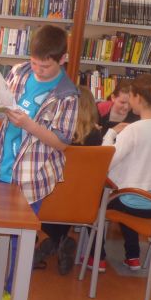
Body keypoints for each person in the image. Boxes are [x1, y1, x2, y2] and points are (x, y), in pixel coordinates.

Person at [0, 25, 79, 300]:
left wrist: (29, 125)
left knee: (17, 237)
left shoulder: (67, 96)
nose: (38, 69)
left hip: (31, 176)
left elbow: (61, 143)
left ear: (62, 59)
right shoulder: (20, 71)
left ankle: (10, 291)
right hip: (2, 164)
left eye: (45, 66)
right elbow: (2, 100)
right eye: (34, 62)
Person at [88, 74, 151, 272]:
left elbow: (105, 161)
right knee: (128, 192)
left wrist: (111, 133)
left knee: (94, 201)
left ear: (138, 97)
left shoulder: (134, 130)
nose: (129, 102)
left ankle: (97, 257)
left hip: (133, 201)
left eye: (130, 97)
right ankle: (133, 256)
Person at [36, 86, 102, 275]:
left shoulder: (55, 134)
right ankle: (61, 242)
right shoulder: (96, 136)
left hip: (49, 199)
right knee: (71, 194)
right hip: (80, 204)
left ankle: (52, 241)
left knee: (46, 193)